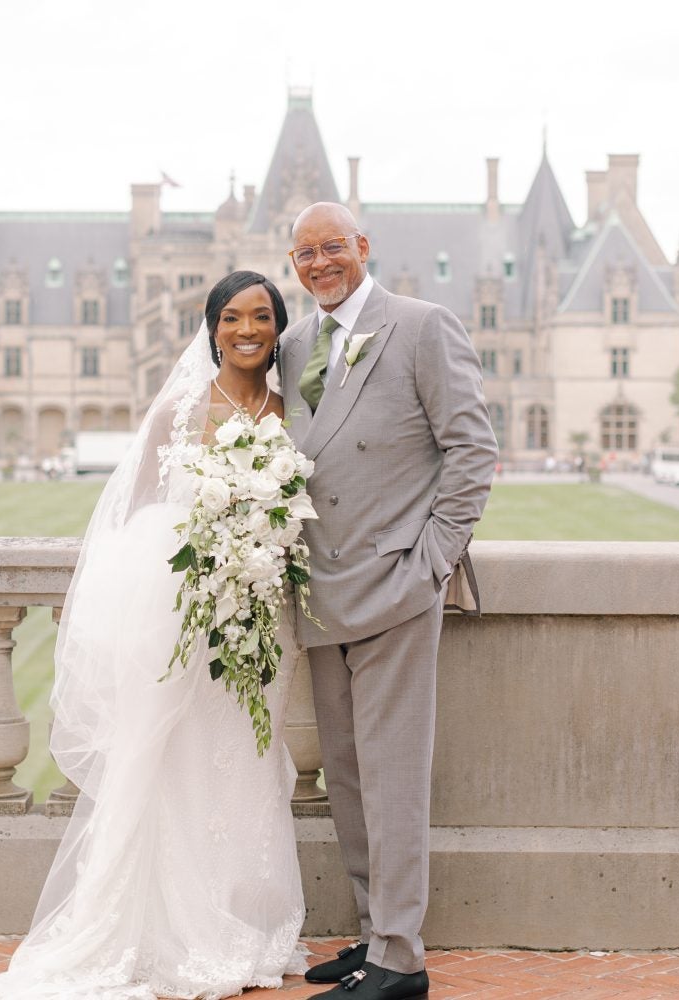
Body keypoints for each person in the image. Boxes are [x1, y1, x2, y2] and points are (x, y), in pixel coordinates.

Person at [0, 271, 309, 999]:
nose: (246, 330)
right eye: (231, 318)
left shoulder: (291, 409)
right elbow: (133, 518)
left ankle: (240, 920)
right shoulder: (182, 406)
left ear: (279, 327)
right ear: (211, 326)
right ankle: (168, 928)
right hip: (185, 615)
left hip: (261, 619)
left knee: (243, 767)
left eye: (261, 317)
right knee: (177, 763)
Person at [277, 203, 498, 1000]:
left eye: (334, 247)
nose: (321, 262)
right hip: (322, 591)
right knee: (348, 773)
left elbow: (473, 450)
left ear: (363, 248)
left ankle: (402, 959)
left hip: (395, 585)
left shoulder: (422, 325)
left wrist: (433, 560)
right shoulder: (296, 344)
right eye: (306, 252)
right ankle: (375, 935)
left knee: (394, 777)